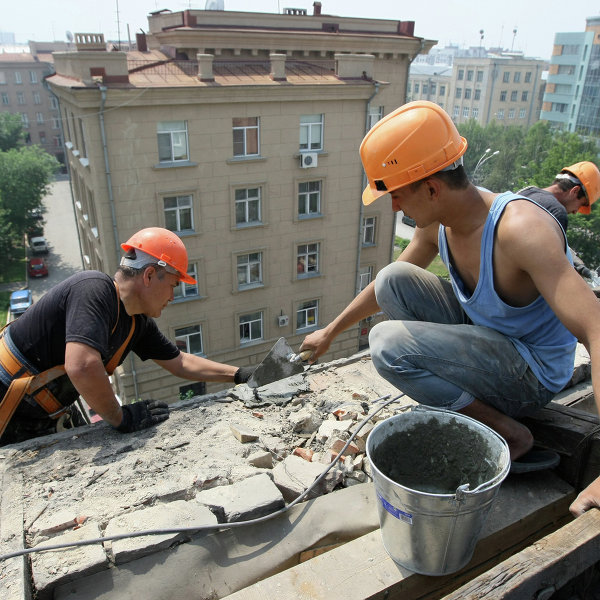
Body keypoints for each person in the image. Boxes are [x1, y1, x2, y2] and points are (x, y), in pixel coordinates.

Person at [300, 100, 600, 517]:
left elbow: (596, 328)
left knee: (387, 344)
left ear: (432, 188)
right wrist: (330, 331)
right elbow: (384, 285)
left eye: (397, 195)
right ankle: (466, 397)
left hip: (530, 374)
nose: (394, 207)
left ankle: (509, 432)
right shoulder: (439, 223)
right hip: (490, 344)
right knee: (393, 280)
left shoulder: (519, 230)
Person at [0, 227, 254, 446]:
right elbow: (82, 365)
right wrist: (120, 417)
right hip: (8, 404)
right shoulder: (93, 288)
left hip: (36, 411)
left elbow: (180, 362)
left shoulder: (136, 322)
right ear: (150, 275)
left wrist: (239, 375)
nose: (172, 297)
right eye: (173, 286)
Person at [518, 162, 600, 278]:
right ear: (575, 191)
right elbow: (550, 271)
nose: (576, 211)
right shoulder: (556, 212)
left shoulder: (527, 193)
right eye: (581, 204)